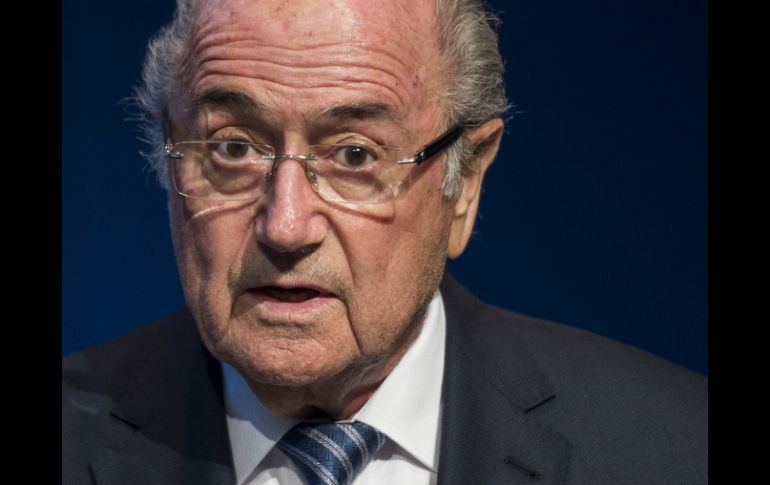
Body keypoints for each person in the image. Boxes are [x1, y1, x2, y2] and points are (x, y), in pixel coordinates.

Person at [62, 0, 707, 484]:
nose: (285, 226)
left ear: (466, 181)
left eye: (354, 155)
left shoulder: (674, 448)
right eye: (234, 148)